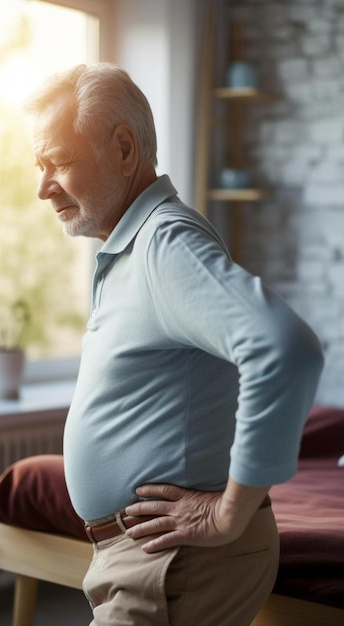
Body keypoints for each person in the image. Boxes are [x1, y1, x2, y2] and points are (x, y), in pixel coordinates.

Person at [26, 63, 324, 625]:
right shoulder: (132, 248)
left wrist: (227, 513)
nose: (43, 187)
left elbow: (285, 349)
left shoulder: (164, 243)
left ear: (123, 148)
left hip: (174, 564)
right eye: (39, 166)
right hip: (155, 563)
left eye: (59, 162)